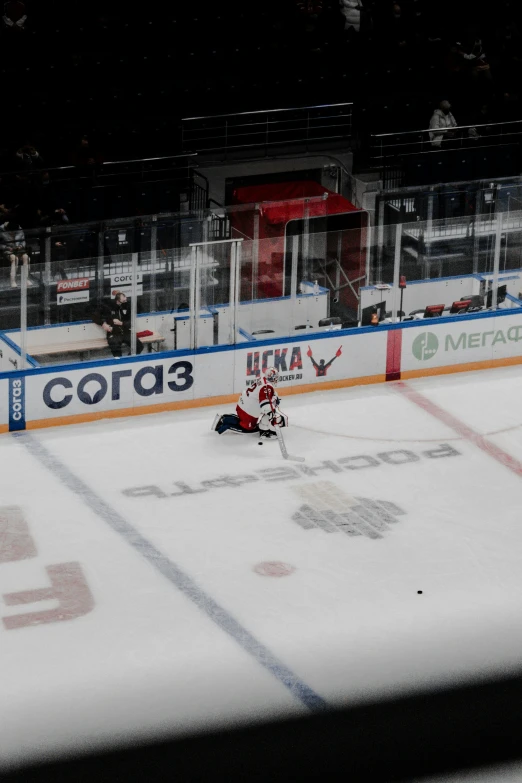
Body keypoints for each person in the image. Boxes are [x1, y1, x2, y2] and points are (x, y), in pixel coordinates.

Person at [212, 367, 288, 439]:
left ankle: (224, 418)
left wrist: (273, 399)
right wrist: (275, 403)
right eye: (275, 377)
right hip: (247, 413)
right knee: (248, 428)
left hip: (242, 406)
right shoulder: (267, 387)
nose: (276, 379)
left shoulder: (262, 379)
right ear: (272, 377)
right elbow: (265, 408)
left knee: (243, 421)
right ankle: (224, 422)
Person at [91, 291, 144, 358]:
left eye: (126, 300)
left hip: (125, 331)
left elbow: (131, 323)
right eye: (123, 301)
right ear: (118, 301)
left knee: (139, 346)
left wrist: (121, 323)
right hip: (114, 332)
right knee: (115, 347)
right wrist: (103, 324)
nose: (125, 302)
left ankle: (127, 360)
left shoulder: (128, 307)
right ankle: (119, 363)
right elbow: (94, 316)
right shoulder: (108, 307)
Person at [0, 220, 31, 287]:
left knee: (26, 257)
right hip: (7, 249)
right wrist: (7, 248)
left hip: (18, 249)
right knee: (14, 258)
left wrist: (20, 246)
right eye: (11, 233)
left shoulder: (19, 229)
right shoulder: (1, 229)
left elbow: (23, 241)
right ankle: (13, 281)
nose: (12, 234)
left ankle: (26, 279)